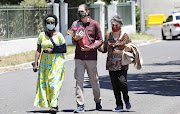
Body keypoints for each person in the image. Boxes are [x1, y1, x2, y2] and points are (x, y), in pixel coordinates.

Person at [70, 4, 103, 113]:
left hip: (91, 57)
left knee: (94, 81)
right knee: (79, 81)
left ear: (87, 12)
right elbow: (73, 41)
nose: (80, 13)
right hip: (79, 57)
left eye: (82, 11)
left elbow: (100, 40)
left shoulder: (94, 24)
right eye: (79, 11)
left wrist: (92, 47)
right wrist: (76, 38)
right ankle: (80, 105)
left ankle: (98, 101)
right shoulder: (75, 24)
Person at [33, 14, 66, 114]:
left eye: (52, 22)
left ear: (55, 24)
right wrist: (35, 63)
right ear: (45, 24)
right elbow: (38, 50)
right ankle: (53, 103)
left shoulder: (59, 36)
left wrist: (52, 50)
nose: (50, 24)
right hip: (45, 63)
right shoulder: (42, 36)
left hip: (57, 62)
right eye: (48, 22)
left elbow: (64, 49)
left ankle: (54, 105)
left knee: (54, 84)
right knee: (46, 84)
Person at [98, 15, 132, 112]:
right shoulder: (108, 36)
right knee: (115, 85)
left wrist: (128, 48)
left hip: (122, 64)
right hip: (111, 65)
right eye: (112, 25)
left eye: (116, 25)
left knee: (122, 82)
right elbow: (104, 49)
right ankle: (119, 105)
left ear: (120, 25)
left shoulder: (124, 36)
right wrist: (95, 46)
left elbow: (131, 46)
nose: (114, 26)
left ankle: (126, 99)